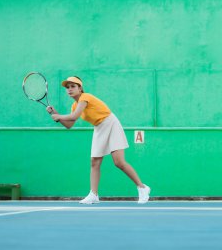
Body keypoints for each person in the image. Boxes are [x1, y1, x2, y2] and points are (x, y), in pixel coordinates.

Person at [46, 76, 150, 204]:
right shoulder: (74, 105)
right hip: (99, 127)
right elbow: (69, 124)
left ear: (80, 88)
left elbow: (74, 116)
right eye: (67, 87)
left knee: (119, 162)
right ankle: (93, 194)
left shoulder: (85, 97)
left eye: (73, 86)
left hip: (110, 122)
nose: (69, 89)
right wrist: (54, 114)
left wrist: (59, 115)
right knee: (94, 162)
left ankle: (142, 187)